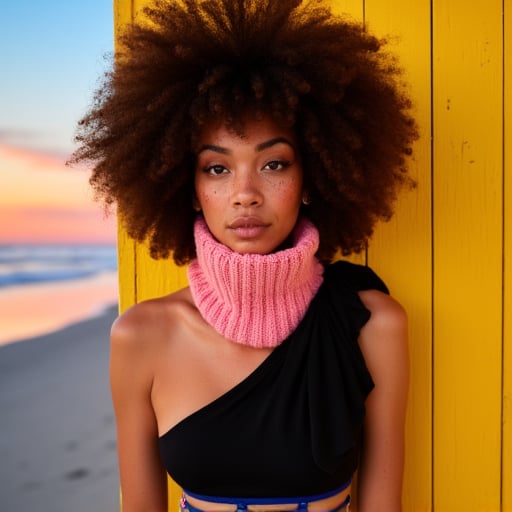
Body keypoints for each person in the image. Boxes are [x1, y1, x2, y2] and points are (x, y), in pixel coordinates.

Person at [71, 0, 417, 510]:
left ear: (310, 180)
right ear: (187, 187)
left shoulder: (372, 324)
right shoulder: (140, 335)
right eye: (217, 169)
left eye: (274, 164)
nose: (245, 193)